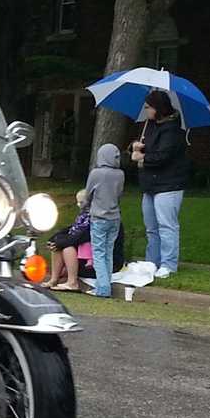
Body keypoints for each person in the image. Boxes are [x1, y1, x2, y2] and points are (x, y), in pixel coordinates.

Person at [130, 90, 189, 279]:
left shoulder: (172, 130)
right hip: (151, 185)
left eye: (149, 107)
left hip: (168, 185)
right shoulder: (153, 127)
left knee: (167, 226)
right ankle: (151, 262)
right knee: (151, 228)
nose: (146, 111)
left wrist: (143, 157)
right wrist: (137, 147)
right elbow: (151, 149)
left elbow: (164, 156)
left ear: (158, 108)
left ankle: (169, 264)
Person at [86, 143, 125, 297]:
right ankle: (105, 284)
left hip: (99, 218)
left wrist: (85, 206)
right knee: (108, 252)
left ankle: (102, 288)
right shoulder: (120, 174)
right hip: (114, 218)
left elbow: (88, 193)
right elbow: (119, 194)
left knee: (99, 253)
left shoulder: (96, 173)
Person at [44, 190, 91, 291]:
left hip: (88, 257)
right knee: (57, 247)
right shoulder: (82, 216)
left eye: (81, 202)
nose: (79, 205)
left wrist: (60, 242)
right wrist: (55, 239)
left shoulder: (93, 219)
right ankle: (54, 279)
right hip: (79, 249)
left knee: (67, 248)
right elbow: (72, 230)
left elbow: (81, 236)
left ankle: (72, 282)